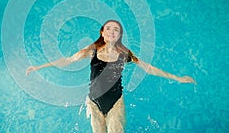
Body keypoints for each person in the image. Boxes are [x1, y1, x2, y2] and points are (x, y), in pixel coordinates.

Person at [26, 20, 195, 133]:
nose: (112, 31)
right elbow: (68, 60)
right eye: (108, 28)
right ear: (102, 32)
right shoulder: (92, 50)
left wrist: (178, 78)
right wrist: (39, 67)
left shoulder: (125, 53)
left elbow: (148, 68)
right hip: (93, 101)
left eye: (116, 29)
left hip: (115, 102)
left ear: (119, 35)